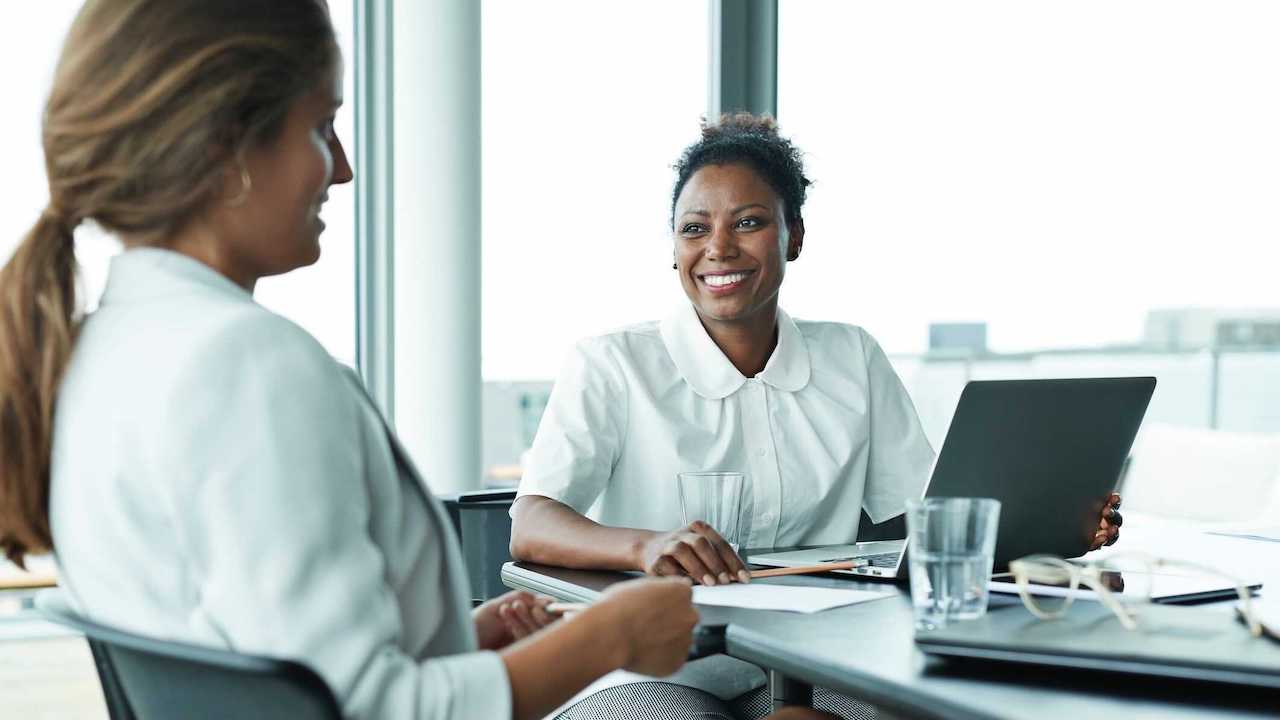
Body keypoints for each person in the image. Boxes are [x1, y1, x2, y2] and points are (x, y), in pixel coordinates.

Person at [0, 3, 809, 719]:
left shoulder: (103, 357)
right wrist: (610, 634)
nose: (343, 168)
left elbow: (267, 666)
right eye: (323, 127)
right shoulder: (251, 368)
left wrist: (453, 642)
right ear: (228, 144)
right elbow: (382, 712)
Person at [509, 113, 1124, 718]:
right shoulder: (613, 363)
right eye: (694, 229)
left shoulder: (851, 356)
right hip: (655, 666)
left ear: (793, 236)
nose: (718, 248)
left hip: (814, 664)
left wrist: (1055, 525)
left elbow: (929, 514)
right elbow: (531, 522)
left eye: (748, 223)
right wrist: (646, 547)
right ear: (673, 248)